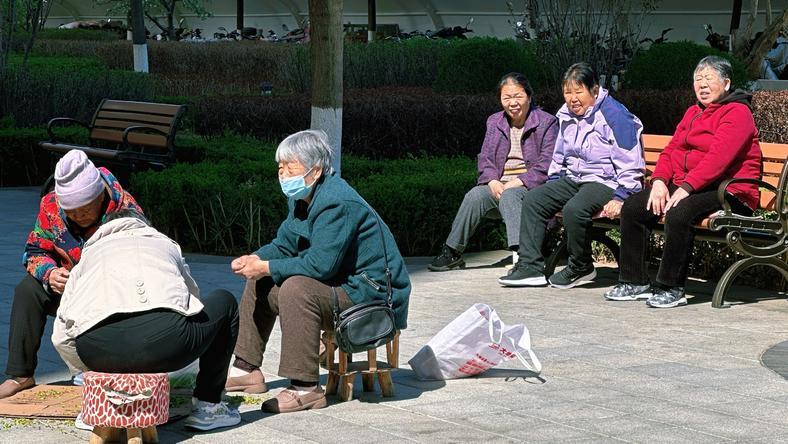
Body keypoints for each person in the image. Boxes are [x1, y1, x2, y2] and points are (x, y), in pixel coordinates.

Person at [225, 130, 411, 413]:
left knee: (297, 289)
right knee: (261, 280)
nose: (284, 174)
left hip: (371, 294)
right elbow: (285, 243)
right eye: (280, 167)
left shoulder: (336, 201)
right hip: (342, 283)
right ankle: (245, 369)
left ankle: (305, 387)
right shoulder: (303, 197)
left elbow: (320, 265)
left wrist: (267, 266)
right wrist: (256, 259)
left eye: (292, 166)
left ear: (317, 169)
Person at [51, 209, 241, 431]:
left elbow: (60, 336)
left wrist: (88, 372)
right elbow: (190, 299)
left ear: (103, 229)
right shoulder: (164, 243)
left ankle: (95, 406)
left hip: (98, 351)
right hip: (166, 346)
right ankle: (208, 407)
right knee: (225, 301)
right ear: (144, 224)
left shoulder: (88, 254)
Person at [605, 56, 761, 308]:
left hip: (730, 190)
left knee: (679, 213)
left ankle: (671, 287)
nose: (702, 85)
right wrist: (658, 182)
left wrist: (686, 187)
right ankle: (635, 282)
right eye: (698, 79)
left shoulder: (738, 112)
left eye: (709, 78)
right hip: (692, 187)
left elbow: (718, 159)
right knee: (634, 207)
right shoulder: (693, 112)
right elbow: (672, 151)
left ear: (727, 83)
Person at [0, 150, 142, 399]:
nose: (78, 217)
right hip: (67, 286)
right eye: (72, 212)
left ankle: (102, 370)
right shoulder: (51, 206)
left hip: (113, 292)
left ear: (99, 196)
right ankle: (20, 375)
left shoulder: (125, 210)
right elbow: (33, 251)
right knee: (27, 289)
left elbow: (140, 260)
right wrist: (50, 272)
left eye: (85, 210)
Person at [499, 62, 645, 289]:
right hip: (574, 178)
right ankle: (530, 266)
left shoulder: (615, 115)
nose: (572, 98)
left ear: (594, 90)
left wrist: (622, 194)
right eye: (568, 92)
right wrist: (555, 183)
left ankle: (581, 266)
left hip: (606, 181)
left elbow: (630, 160)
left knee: (574, 209)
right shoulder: (565, 114)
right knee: (534, 199)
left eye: (579, 92)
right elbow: (559, 154)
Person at [429, 72, 558, 271]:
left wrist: (518, 181)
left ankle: (524, 258)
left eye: (518, 96)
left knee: (511, 195)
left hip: (531, 189)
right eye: (507, 98)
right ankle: (452, 251)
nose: (512, 102)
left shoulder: (547, 122)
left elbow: (547, 164)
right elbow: (485, 158)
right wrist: (491, 181)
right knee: (475, 195)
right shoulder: (494, 122)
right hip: (500, 186)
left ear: (529, 97)